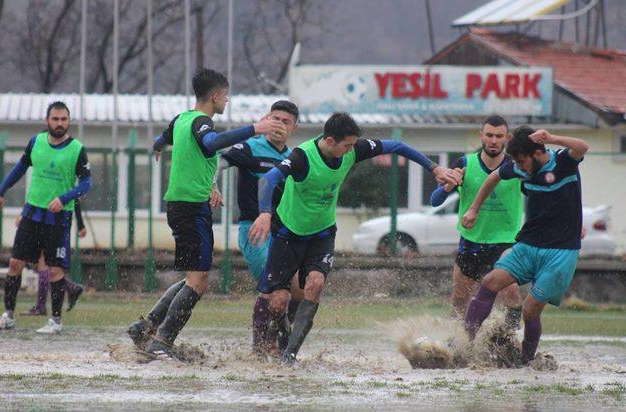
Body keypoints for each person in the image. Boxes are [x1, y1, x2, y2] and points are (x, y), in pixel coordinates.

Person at [248, 112, 463, 364]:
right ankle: (282, 340)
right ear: (329, 141)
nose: (352, 150)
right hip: (288, 233)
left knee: (314, 286)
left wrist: (434, 167)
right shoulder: (302, 157)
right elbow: (267, 179)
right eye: (347, 145)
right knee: (278, 303)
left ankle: (290, 356)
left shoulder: (351, 150)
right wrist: (264, 213)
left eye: (353, 145)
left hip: (322, 233)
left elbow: (397, 146)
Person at [126, 68, 286, 358]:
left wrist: (158, 149)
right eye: (226, 95)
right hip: (190, 208)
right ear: (215, 96)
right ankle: (162, 342)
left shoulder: (181, 119)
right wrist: (254, 128)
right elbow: (210, 143)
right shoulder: (201, 123)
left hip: (181, 205)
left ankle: (145, 327)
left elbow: (161, 139)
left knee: (193, 277)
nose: (227, 101)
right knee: (199, 282)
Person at [461, 126, 588, 365]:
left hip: (560, 253)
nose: (519, 167)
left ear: (538, 153)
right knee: (489, 283)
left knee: (530, 310)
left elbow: (582, 146)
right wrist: (474, 209)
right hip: (528, 246)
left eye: (522, 161)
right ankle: (463, 345)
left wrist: (552, 138)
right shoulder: (521, 167)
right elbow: (495, 176)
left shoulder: (563, 162)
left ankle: (527, 360)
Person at [0, 101, 92, 334]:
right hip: (32, 214)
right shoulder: (35, 142)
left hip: (58, 218)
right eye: (55, 119)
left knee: (55, 270)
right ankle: (8, 315)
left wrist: (65, 197)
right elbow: (20, 168)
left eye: (63, 119)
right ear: (47, 120)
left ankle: (55, 321)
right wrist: (0, 192)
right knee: (15, 263)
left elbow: (87, 183)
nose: (59, 123)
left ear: (68, 121)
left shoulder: (77, 149)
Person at [216, 100, 303, 355]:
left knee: (298, 289)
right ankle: (260, 348)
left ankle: (280, 339)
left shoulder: (293, 157)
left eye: (285, 122)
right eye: (275, 119)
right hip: (254, 231)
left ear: (294, 127)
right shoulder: (250, 147)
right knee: (273, 286)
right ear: (266, 119)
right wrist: (212, 185)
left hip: (285, 234)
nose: (279, 125)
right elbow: (217, 161)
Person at [430, 115, 523, 328]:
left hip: (506, 241)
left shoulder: (516, 166)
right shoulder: (464, 164)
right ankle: (456, 342)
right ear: (480, 136)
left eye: (499, 136)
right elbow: (435, 201)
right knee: (459, 300)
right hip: (472, 240)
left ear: (507, 138)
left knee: (511, 290)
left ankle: (509, 336)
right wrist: (447, 186)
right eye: (489, 135)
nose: (493, 140)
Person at [20, 199, 86, 316]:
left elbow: (73, 199)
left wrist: (25, 215)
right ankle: (71, 287)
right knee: (45, 263)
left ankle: (42, 306)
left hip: (47, 221)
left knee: (44, 263)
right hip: (46, 219)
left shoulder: (55, 185)